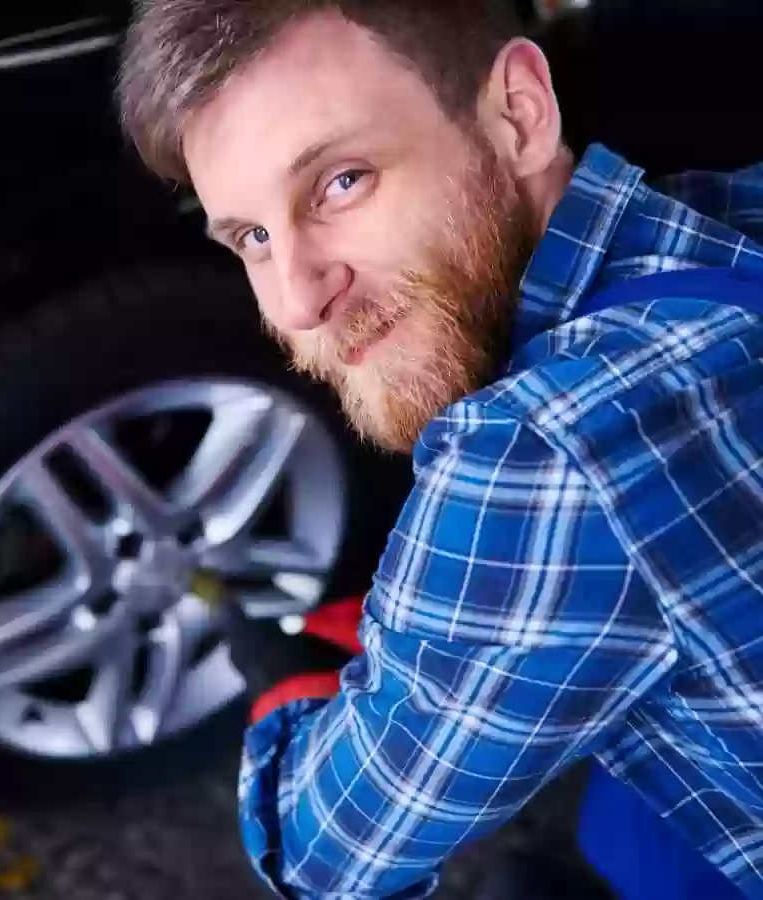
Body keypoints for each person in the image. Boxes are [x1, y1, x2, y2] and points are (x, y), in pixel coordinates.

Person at [117, 2, 763, 897]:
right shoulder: (730, 207)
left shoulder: (542, 451)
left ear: (520, 112)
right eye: (254, 238)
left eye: (341, 182)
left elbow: (325, 856)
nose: (298, 299)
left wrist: (293, 693)